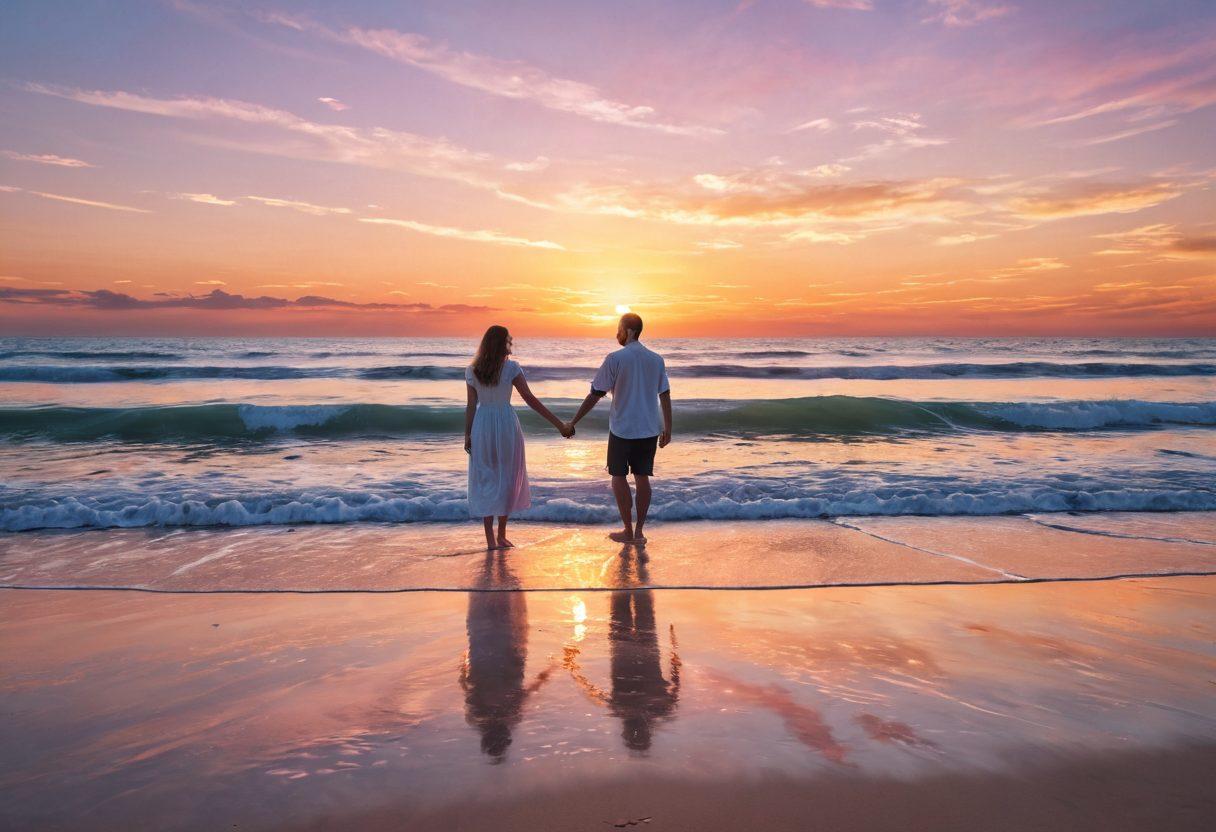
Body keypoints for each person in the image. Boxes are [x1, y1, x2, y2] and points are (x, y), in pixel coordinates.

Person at [465, 325, 572, 549]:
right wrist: (558, 424)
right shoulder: (511, 368)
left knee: (486, 479)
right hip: (505, 424)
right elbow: (529, 398)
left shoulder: (473, 370)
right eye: (508, 340)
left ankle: (491, 539)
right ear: (502, 343)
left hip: (482, 425)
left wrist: (467, 434)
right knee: (507, 477)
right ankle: (501, 535)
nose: (511, 343)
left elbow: (471, 406)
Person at [568, 313, 672, 543]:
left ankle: (627, 530)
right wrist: (668, 428)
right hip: (648, 428)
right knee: (642, 477)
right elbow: (665, 394)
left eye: (619, 329)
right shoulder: (656, 359)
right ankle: (639, 532)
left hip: (622, 429)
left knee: (618, 477)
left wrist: (573, 422)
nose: (617, 333)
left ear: (629, 331)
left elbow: (596, 394)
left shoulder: (615, 358)